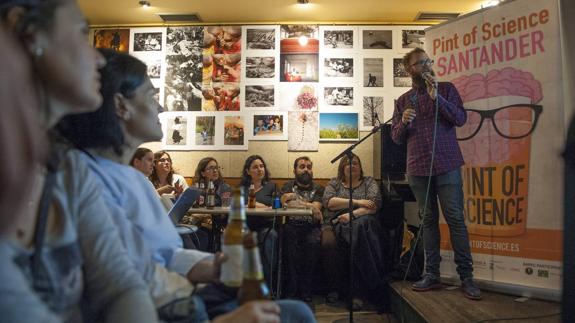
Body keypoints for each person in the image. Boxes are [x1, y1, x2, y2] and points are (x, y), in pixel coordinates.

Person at [57, 49, 315, 322]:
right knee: (295, 314)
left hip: (182, 294)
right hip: (166, 307)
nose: (160, 107)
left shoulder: (133, 178)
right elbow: (124, 284)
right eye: (151, 95)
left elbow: (163, 255)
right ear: (121, 106)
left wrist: (213, 266)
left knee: (294, 310)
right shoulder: (84, 179)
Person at [0, 1, 158, 322]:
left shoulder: (69, 169)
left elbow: (121, 286)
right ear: (28, 33)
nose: (99, 59)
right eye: (82, 32)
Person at [391, 47, 481, 300]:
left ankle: (467, 277)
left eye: (428, 61)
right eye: (421, 63)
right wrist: (402, 123)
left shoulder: (447, 89)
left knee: (454, 218)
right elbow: (396, 138)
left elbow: (460, 119)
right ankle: (432, 274)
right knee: (427, 221)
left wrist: (436, 97)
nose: (427, 65)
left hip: (447, 165)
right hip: (418, 169)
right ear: (410, 69)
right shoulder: (403, 100)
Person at [322, 153, 389, 311]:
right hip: (341, 222)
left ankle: (358, 291)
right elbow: (329, 202)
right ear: (342, 168)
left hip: (364, 222)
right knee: (357, 234)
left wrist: (352, 214)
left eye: (355, 163)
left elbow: (375, 204)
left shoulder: (369, 182)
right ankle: (370, 289)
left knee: (359, 230)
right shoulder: (335, 183)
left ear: (360, 167)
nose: (351, 166)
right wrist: (357, 202)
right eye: (348, 163)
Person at [280, 156, 324, 304]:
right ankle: (292, 288)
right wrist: (310, 206)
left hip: (311, 226)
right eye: (302, 166)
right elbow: (285, 203)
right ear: (294, 170)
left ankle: (305, 290)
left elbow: (317, 208)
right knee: (289, 242)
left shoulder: (319, 188)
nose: (306, 169)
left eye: (309, 167)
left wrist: (297, 202)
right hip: (291, 225)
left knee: (312, 243)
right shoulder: (287, 185)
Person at [240, 155, 278, 288]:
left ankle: (267, 285)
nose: (260, 169)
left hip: (265, 227)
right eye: (255, 167)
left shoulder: (271, 186)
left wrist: (252, 204)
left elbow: (274, 205)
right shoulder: (242, 188)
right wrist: (262, 205)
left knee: (271, 237)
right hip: (245, 227)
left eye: (262, 166)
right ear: (247, 171)